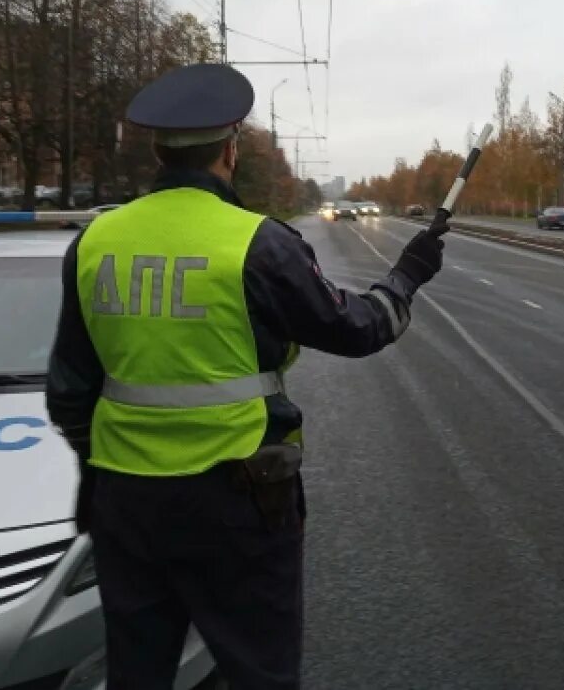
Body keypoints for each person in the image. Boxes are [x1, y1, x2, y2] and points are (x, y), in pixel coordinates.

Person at [46, 62, 448, 690]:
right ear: (229, 151)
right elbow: (358, 330)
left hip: (126, 503)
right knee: (259, 670)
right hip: (238, 499)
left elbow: (69, 388)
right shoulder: (257, 243)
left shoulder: (97, 241)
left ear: (156, 150)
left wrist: (93, 469)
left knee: (137, 672)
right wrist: (408, 274)